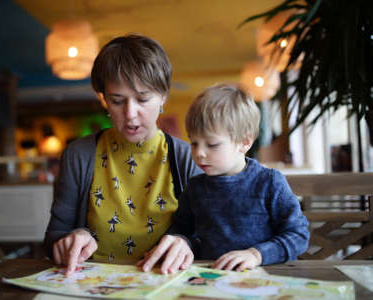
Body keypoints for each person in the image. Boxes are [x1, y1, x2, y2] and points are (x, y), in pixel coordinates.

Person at [44, 34, 202, 276]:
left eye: (142, 99)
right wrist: (69, 239)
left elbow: (209, 234)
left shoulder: (188, 157)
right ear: (104, 99)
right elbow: (53, 236)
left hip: (162, 284)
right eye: (117, 101)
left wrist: (187, 243)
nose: (130, 113)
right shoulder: (79, 155)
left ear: (164, 96)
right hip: (91, 285)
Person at [169, 84, 309, 271]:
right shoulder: (195, 189)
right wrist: (181, 242)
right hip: (210, 279)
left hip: (266, 279)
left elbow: (298, 235)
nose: (199, 153)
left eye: (211, 144)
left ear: (244, 142)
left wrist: (256, 254)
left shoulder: (269, 182)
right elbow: (182, 232)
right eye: (194, 143)